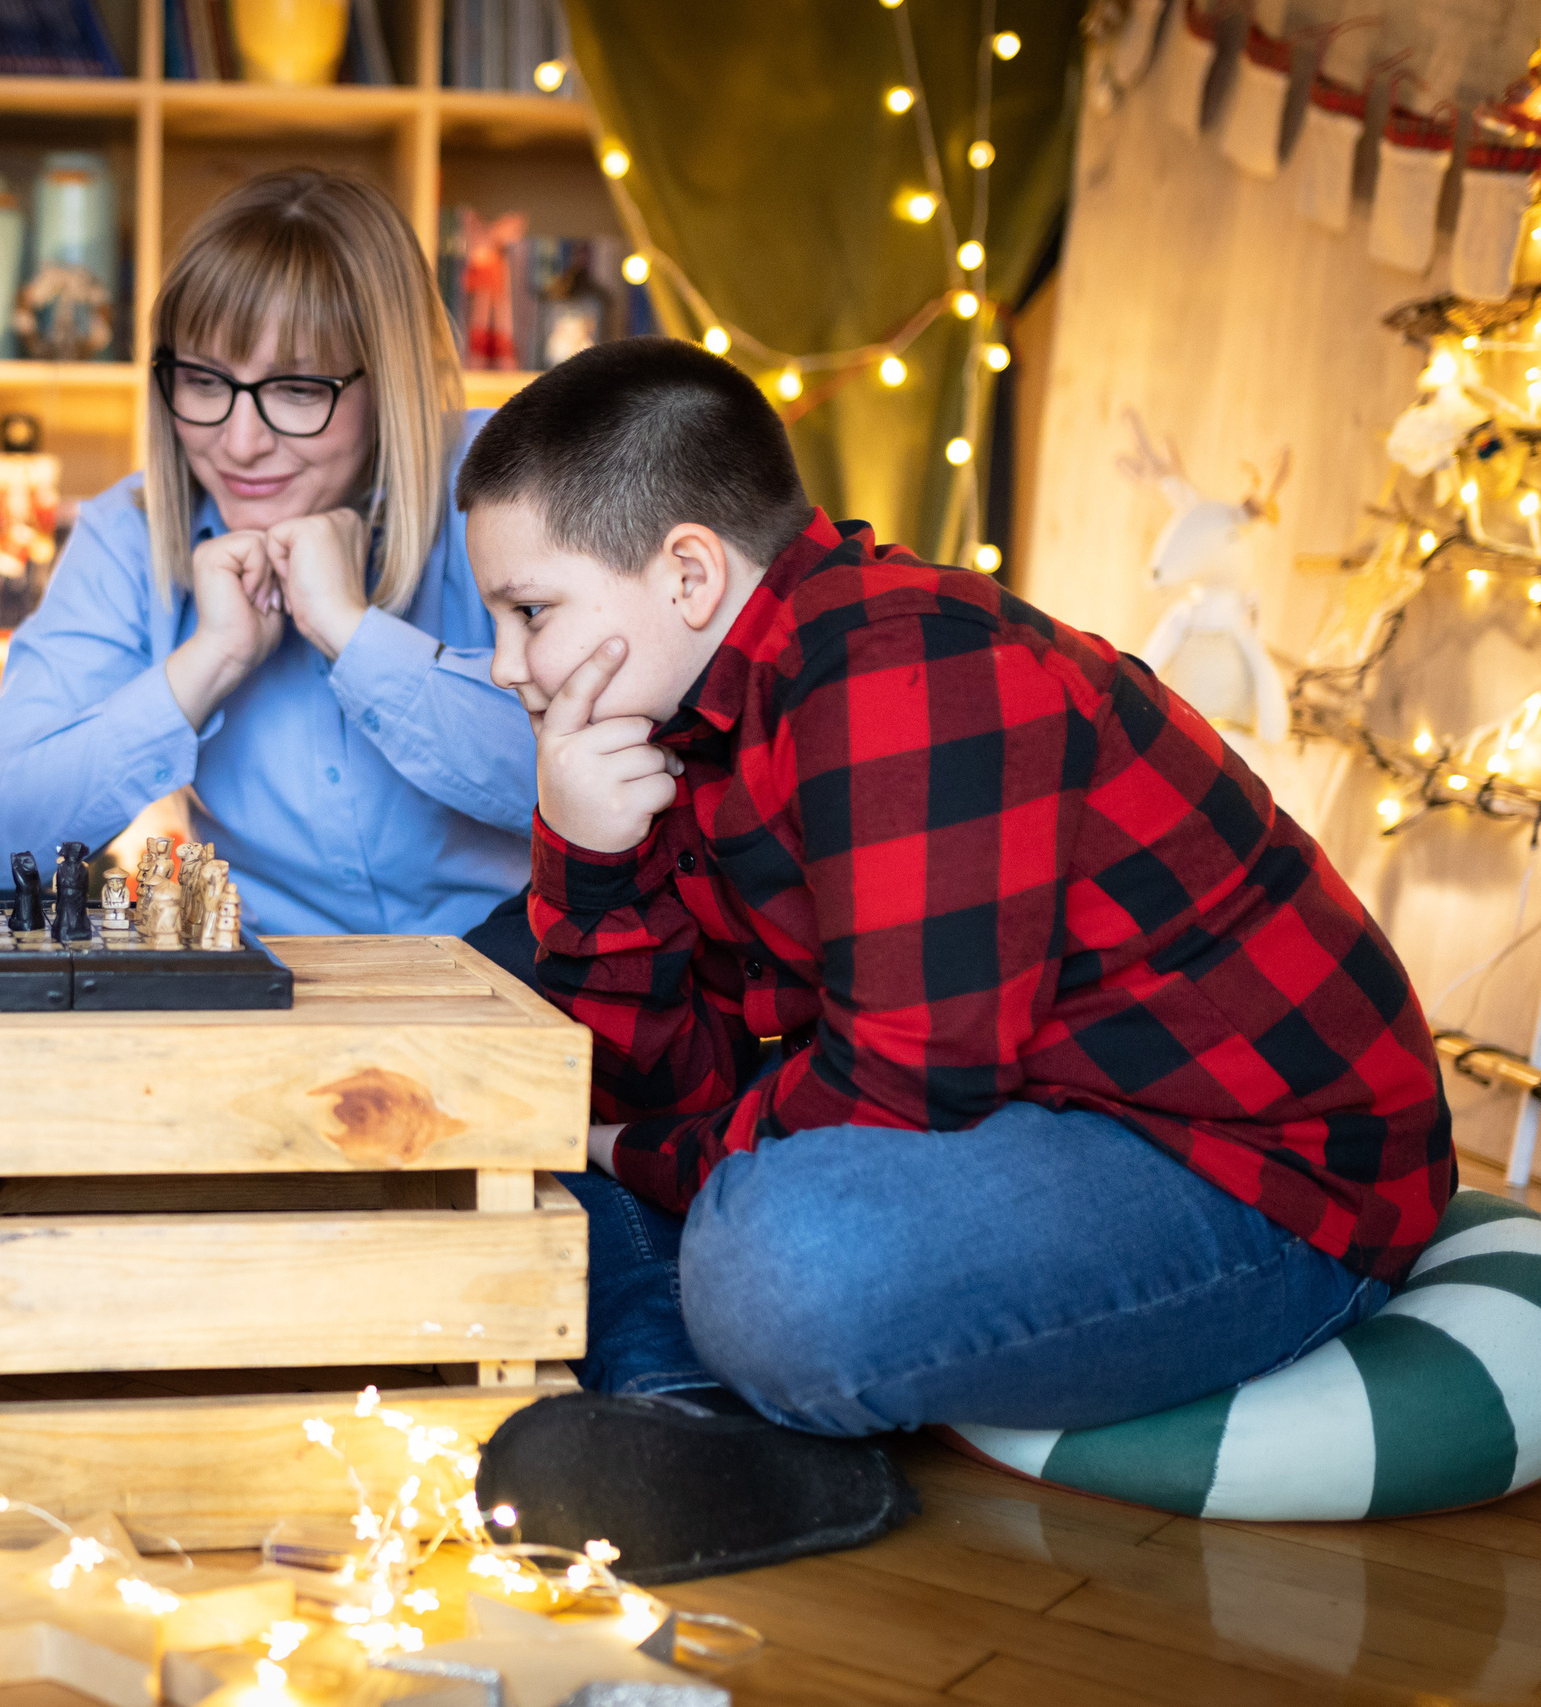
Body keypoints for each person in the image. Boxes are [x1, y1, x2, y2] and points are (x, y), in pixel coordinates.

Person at [457, 336, 1452, 1437]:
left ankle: (692, 1376)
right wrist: (587, 850)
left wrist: (636, 1158)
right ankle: (673, 1370)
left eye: (528, 613)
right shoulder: (681, 725)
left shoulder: (898, 669)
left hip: (1270, 1179)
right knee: (511, 1019)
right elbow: (656, 1083)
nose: (506, 665)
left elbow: (895, 1093)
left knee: (776, 1268)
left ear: (689, 575)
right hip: (1041, 1114)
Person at [0, 170, 534, 936]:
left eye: (296, 389)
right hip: (281, 1009)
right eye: (203, 381)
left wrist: (354, 636)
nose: (241, 443)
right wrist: (209, 661)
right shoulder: (131, 531)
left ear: (391, 382)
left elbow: (606, 784)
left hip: (532, 991)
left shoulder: (513, 483)